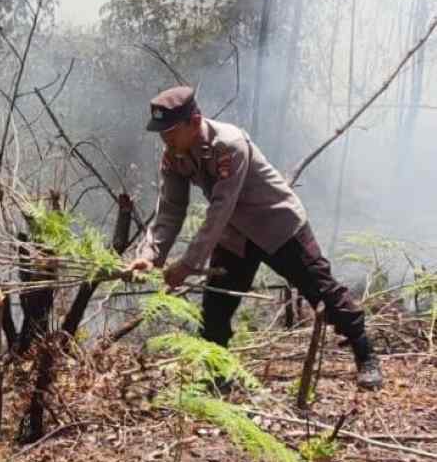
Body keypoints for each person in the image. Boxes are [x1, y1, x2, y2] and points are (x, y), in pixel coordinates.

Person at [125, 85, 383, 390]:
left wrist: (188, 265)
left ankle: (365, 353)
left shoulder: (229, 144)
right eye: (161, 133)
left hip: (278, 226)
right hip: (235, 235)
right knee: (215, 308)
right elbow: (169, 210)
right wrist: (150, 255)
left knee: (323, 291)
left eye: (170, 132)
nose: (164, 141)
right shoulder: (174, 156)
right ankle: (217, 377)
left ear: (194, 122)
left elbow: (220, 209)